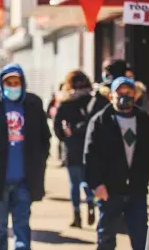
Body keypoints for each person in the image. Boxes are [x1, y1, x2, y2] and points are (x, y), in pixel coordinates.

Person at [0, 63, 51, 250]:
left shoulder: (34, 103)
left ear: (22, 83)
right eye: (9, 82)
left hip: (25, 177)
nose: (13, 86)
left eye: (16, 82)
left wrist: (40, 160)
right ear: (1, 83)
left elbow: (45, 137)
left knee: (22, 224)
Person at [85, 77, 149, 250]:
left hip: (137, 189)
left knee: (140, 236)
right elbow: (90, 156)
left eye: (128, 92)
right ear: (111, 96)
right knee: (106, 236)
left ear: (135, 95)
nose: (124, 96)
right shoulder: (100, 121)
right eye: (119, 93)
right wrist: (96, 184)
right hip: (110, 190)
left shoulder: (143, 120)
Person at [54, 70, 95, 228]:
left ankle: (77, 214)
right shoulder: (91, 101)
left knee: (74, 183)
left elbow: (57, 125)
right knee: (87, 179)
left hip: (71, 147)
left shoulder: (65, 102)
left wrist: (65, 138)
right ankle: (90, 200)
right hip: (89, 146)